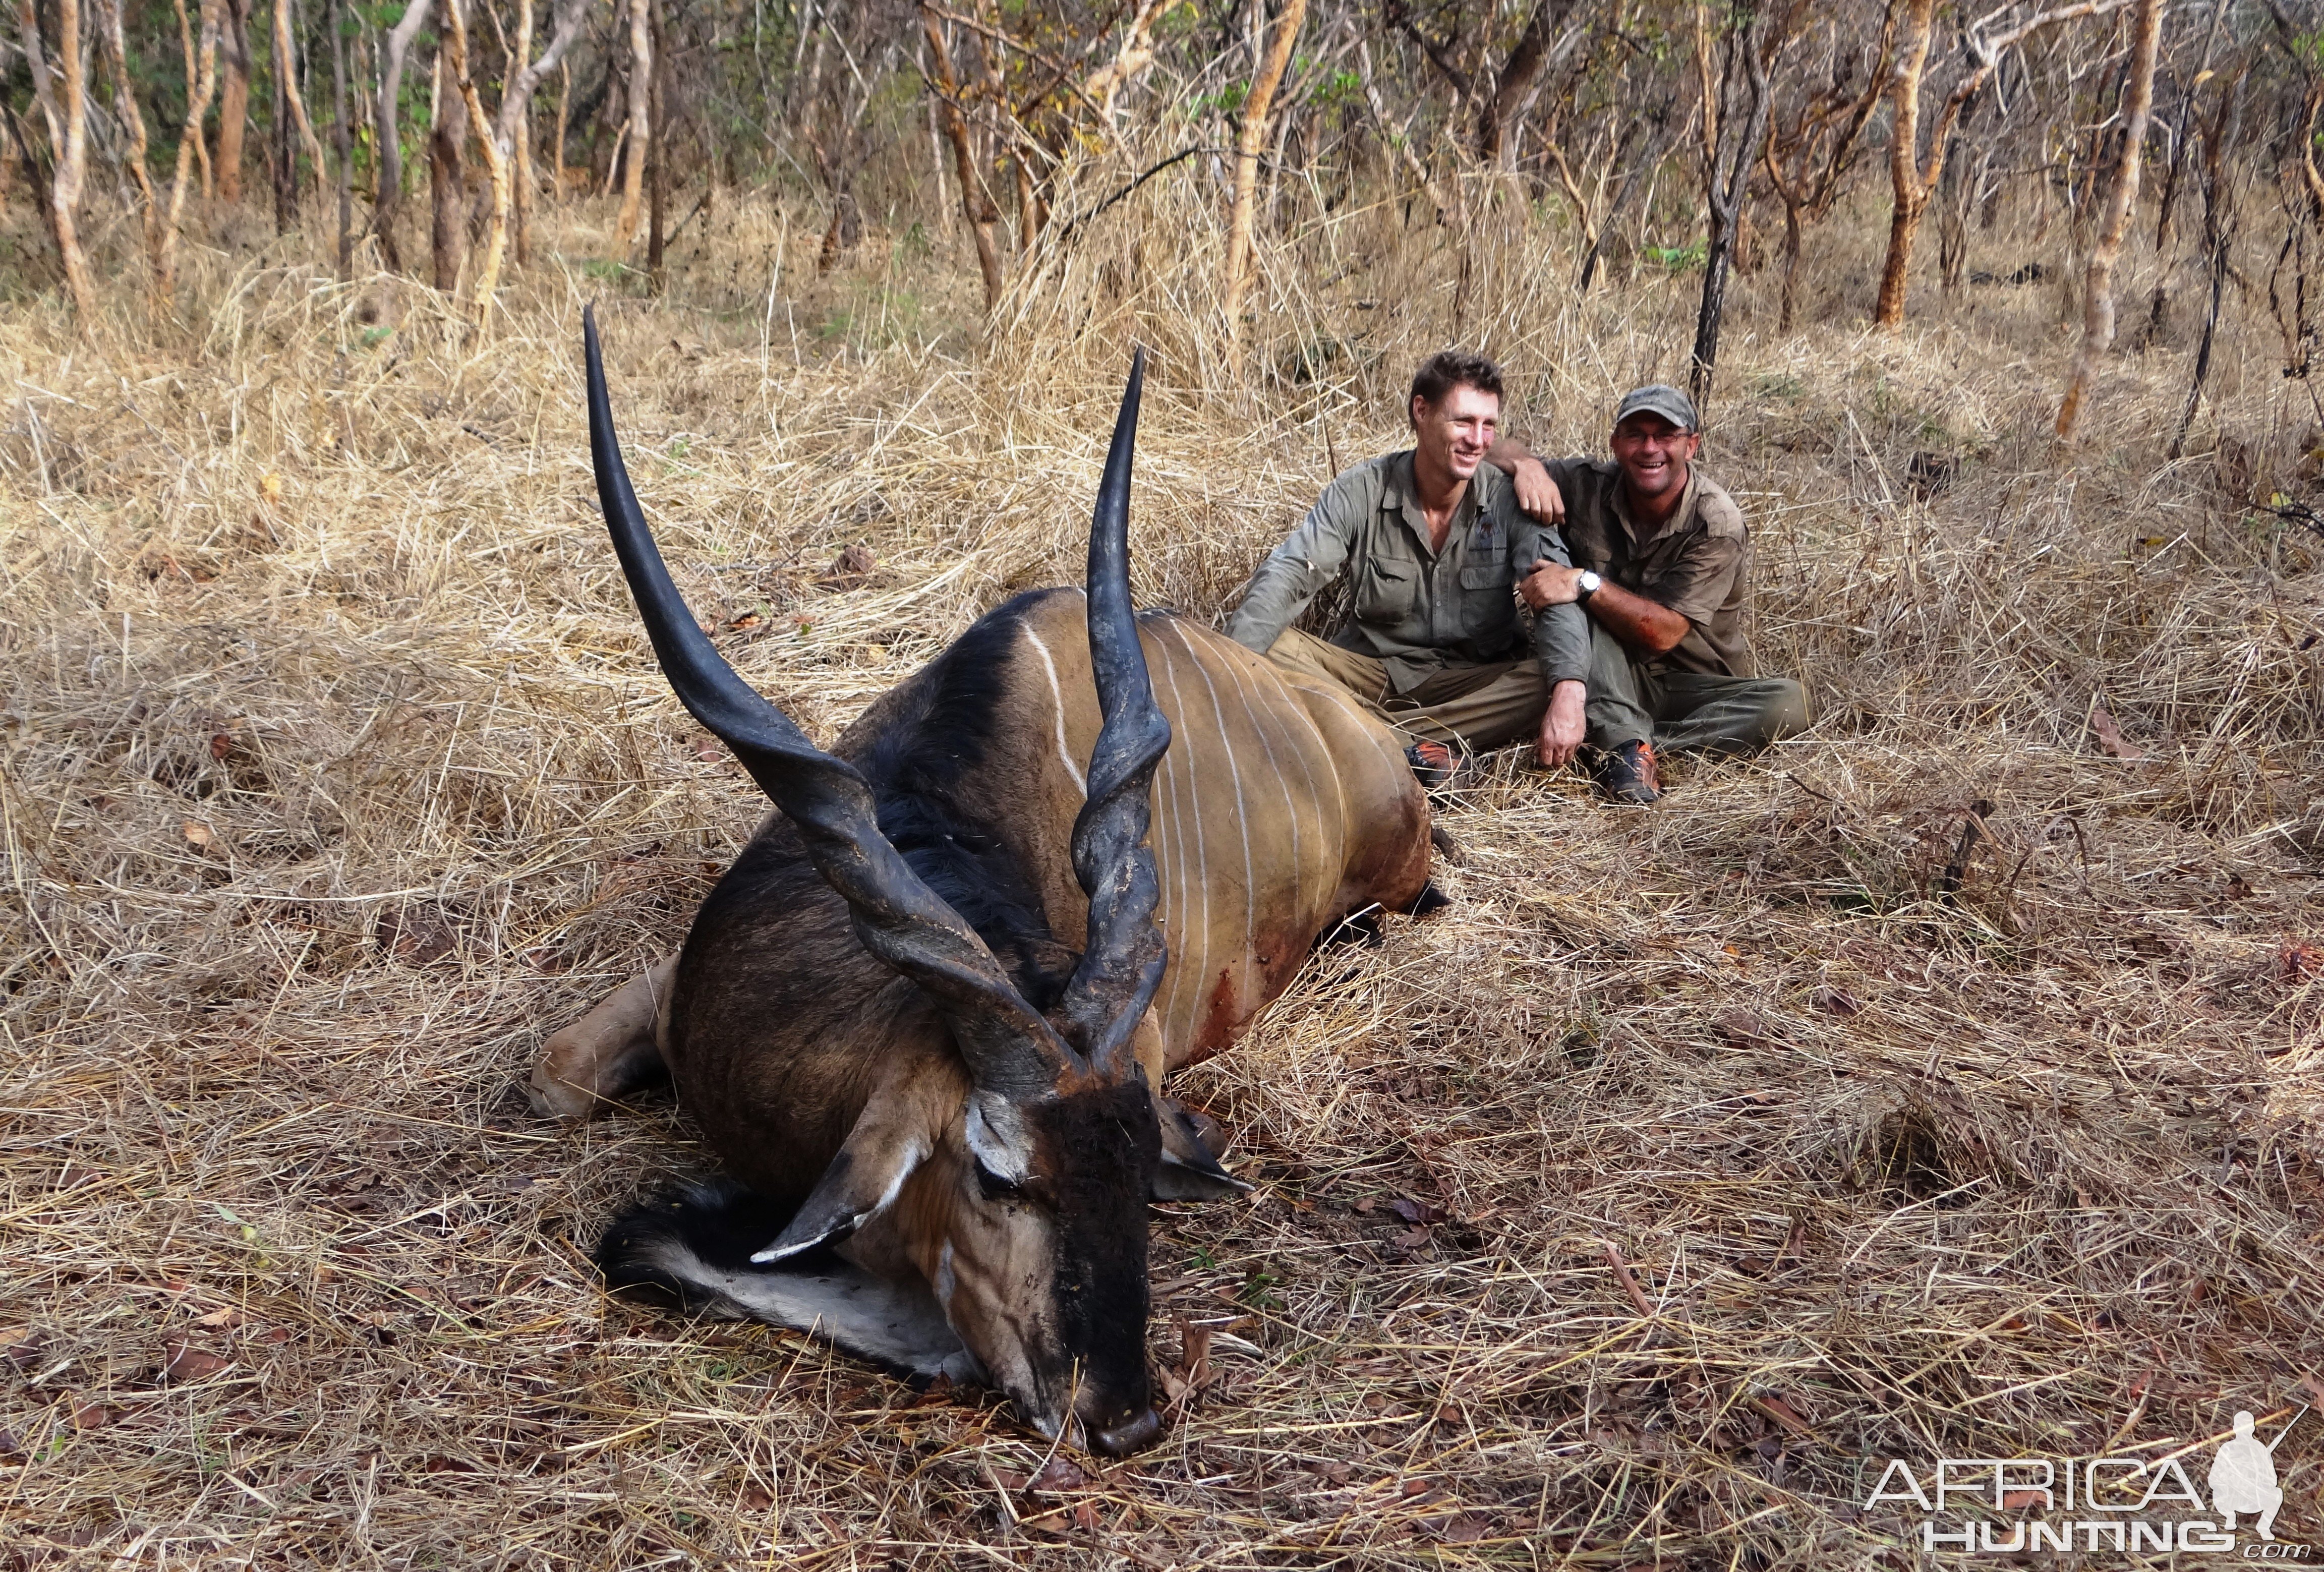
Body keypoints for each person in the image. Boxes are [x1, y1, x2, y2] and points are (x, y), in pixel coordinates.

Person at [1226, 350, 1590, 788]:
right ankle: (1415, 747)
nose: (1478, 440)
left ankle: (1370, 737)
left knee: (1553, 678)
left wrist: (1569, 688)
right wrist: (1224, 671)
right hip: (1372, 674)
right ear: (1422, 411)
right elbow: (1291, 573)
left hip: (1471, 683)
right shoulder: (1360, 489)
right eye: (1463, 422)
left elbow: (1557, 592)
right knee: (1270, 647)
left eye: (1488, 425)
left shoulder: (1510, 498)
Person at [1489, 383, 1809, 805]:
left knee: (1792, 704)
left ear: (1691, 445)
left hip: (1691, 685)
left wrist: (1585, 581)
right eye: (1636, 434)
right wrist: (1527, 466)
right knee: (1579, 610)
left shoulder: (1715, 522)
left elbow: (1663, 632)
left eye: (1666, 436)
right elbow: (1488, 447)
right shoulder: (1588, 485)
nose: (1650, 448)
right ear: (1616, 443)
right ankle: (1625, 746)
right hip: (1606, 668)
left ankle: (1625, 740)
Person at [2209, 1410, 2288, 1542]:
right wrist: (2231, 1481)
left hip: (2254, 1498)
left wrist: (2259, 1477)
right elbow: (2213, 1478)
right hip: (2232, 1498)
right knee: (2219, 1493)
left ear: (2253, 1428)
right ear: (2235, 1428)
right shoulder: (2227, 1449)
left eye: (2248, 1426)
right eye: (2241, 1426)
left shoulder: (2260, 1449)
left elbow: (2273, 1479)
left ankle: (2264, 1526)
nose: (2244, 1430)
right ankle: (2230, 1517)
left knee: (2277, 1494)